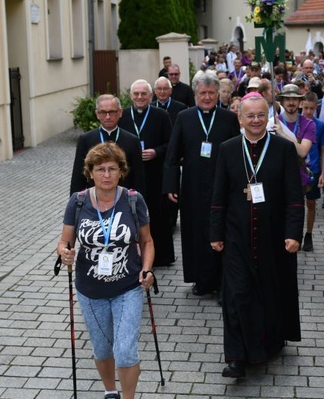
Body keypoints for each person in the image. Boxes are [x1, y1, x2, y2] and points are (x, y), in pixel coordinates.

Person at [57, 142, 154, 399]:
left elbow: (147, 241)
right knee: (101, 347)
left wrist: (147, 269)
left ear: (121, 172)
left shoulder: (134, 200)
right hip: (89, 288)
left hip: (127, 286)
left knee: (124, 349)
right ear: (90, 172)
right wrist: (65, 253)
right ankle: (109, 391)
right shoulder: (78, 201)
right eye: (100, 169)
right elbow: (64, 242)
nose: (107, 174)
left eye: (112, 168)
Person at [209, 93, 304, 378]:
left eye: (260, 115)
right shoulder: (227, 149)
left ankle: (268, 344)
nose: (255, 120)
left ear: (268, 116)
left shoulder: (283, 149)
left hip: (273, 237)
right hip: (236, 235)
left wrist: (293, 232)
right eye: (249, 115)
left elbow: (294, 197)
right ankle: (236, 357)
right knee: (236, 294)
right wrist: (215, 232)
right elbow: (218, 195)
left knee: (268, 292)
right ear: (239, 118)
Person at [164, 71, 241, 297]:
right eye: (202, 93)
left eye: (211, 93)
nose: (207, 97)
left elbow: (237, 153)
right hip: (192, 186)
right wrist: (170, 185)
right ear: (196, 94)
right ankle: (200, 279)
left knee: (221, 232)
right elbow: (171, 154)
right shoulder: (184, 117)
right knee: (195, 232)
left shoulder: (228, 118)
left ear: (218, 94)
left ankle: (221, 281)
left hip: (222, 186)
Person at [119, 80, 174, 267]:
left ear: (151, 96)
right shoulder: (123, 115)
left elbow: (171, 144)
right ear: (131, 96)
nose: (140, 97)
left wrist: (155, 152)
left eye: (144, 94)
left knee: (156, 215)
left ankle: (159, 257)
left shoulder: (161, 115)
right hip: (130, 176)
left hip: (154, 175)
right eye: (136, 94)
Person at [70, 94, 145, 196]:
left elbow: (138, 178)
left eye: (112, 112)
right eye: (103, 112)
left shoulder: (132, 141)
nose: (108, 117)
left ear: (120, 112)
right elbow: (78, 176)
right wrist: (75, 203)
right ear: (97, 114)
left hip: (124, 198)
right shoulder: (86, 139)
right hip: (94, 198)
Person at [274, 85, 316, 251]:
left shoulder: (308, 124)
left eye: (294, 99)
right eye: (287, 99)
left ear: (299, 102)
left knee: (295, 213)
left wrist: (282, 135)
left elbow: (303, 151)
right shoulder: (273, 120)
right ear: (282, 101)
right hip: (276, 175)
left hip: (298, 177)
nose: (291, 102)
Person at [301, 92, 324, 252]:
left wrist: (323, 174)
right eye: (305, 108)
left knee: (311, 203)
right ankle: (295, 232)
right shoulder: (296, 122)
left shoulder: (320, 125)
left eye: (311, 108)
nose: (308, 112)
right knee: (296, 204)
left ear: (316, 108)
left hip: (313, 169)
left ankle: (309, 234)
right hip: (297, 170)